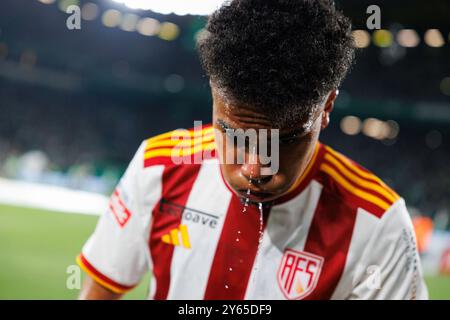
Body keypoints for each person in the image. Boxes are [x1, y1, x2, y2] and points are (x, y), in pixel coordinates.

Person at [77, 0, 428, 300]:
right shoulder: (158, 166)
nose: (256, 168)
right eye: (234, 134)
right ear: (215, 96)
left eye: (284, 140)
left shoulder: (379, 224)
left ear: (326, 108)